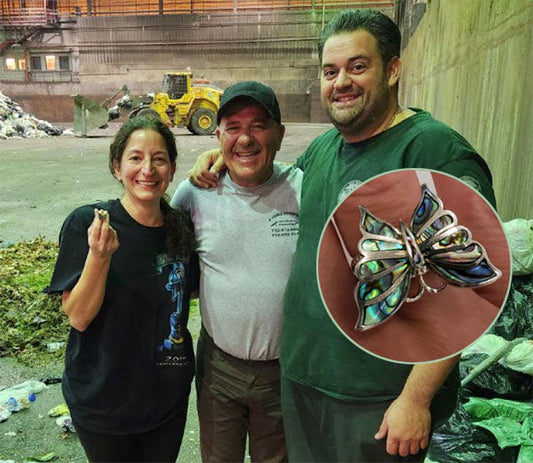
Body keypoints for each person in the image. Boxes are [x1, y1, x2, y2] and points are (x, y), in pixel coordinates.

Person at [189, 9, 497, 463]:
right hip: (303, 385)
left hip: (375, 398)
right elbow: (269, 185)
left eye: (358, 66)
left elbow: (471, 288)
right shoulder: (324, 149)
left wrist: (415, 399)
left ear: (392, 70)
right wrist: (220, 157)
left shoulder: (433, 151)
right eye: (331, 71)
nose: (342, 82)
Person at [46, 116, 198, 463]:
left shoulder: (182, 228)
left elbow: (187, 294)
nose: (148, 169)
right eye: (135, 158)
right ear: (117, 167)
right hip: (103, 403)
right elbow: (79, 317)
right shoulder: (89, 224)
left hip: (166, 400)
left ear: (172, 169)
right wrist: (99, 256)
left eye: (159, 159)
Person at [171, 81, 301, 463]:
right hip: (218, 369)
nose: (245, 139)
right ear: (218, 135)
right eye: (233, 128)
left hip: (284, 372)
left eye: (259, 125)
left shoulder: (303, 187)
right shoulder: (193, 194)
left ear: (279, 134)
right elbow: (170, 270)